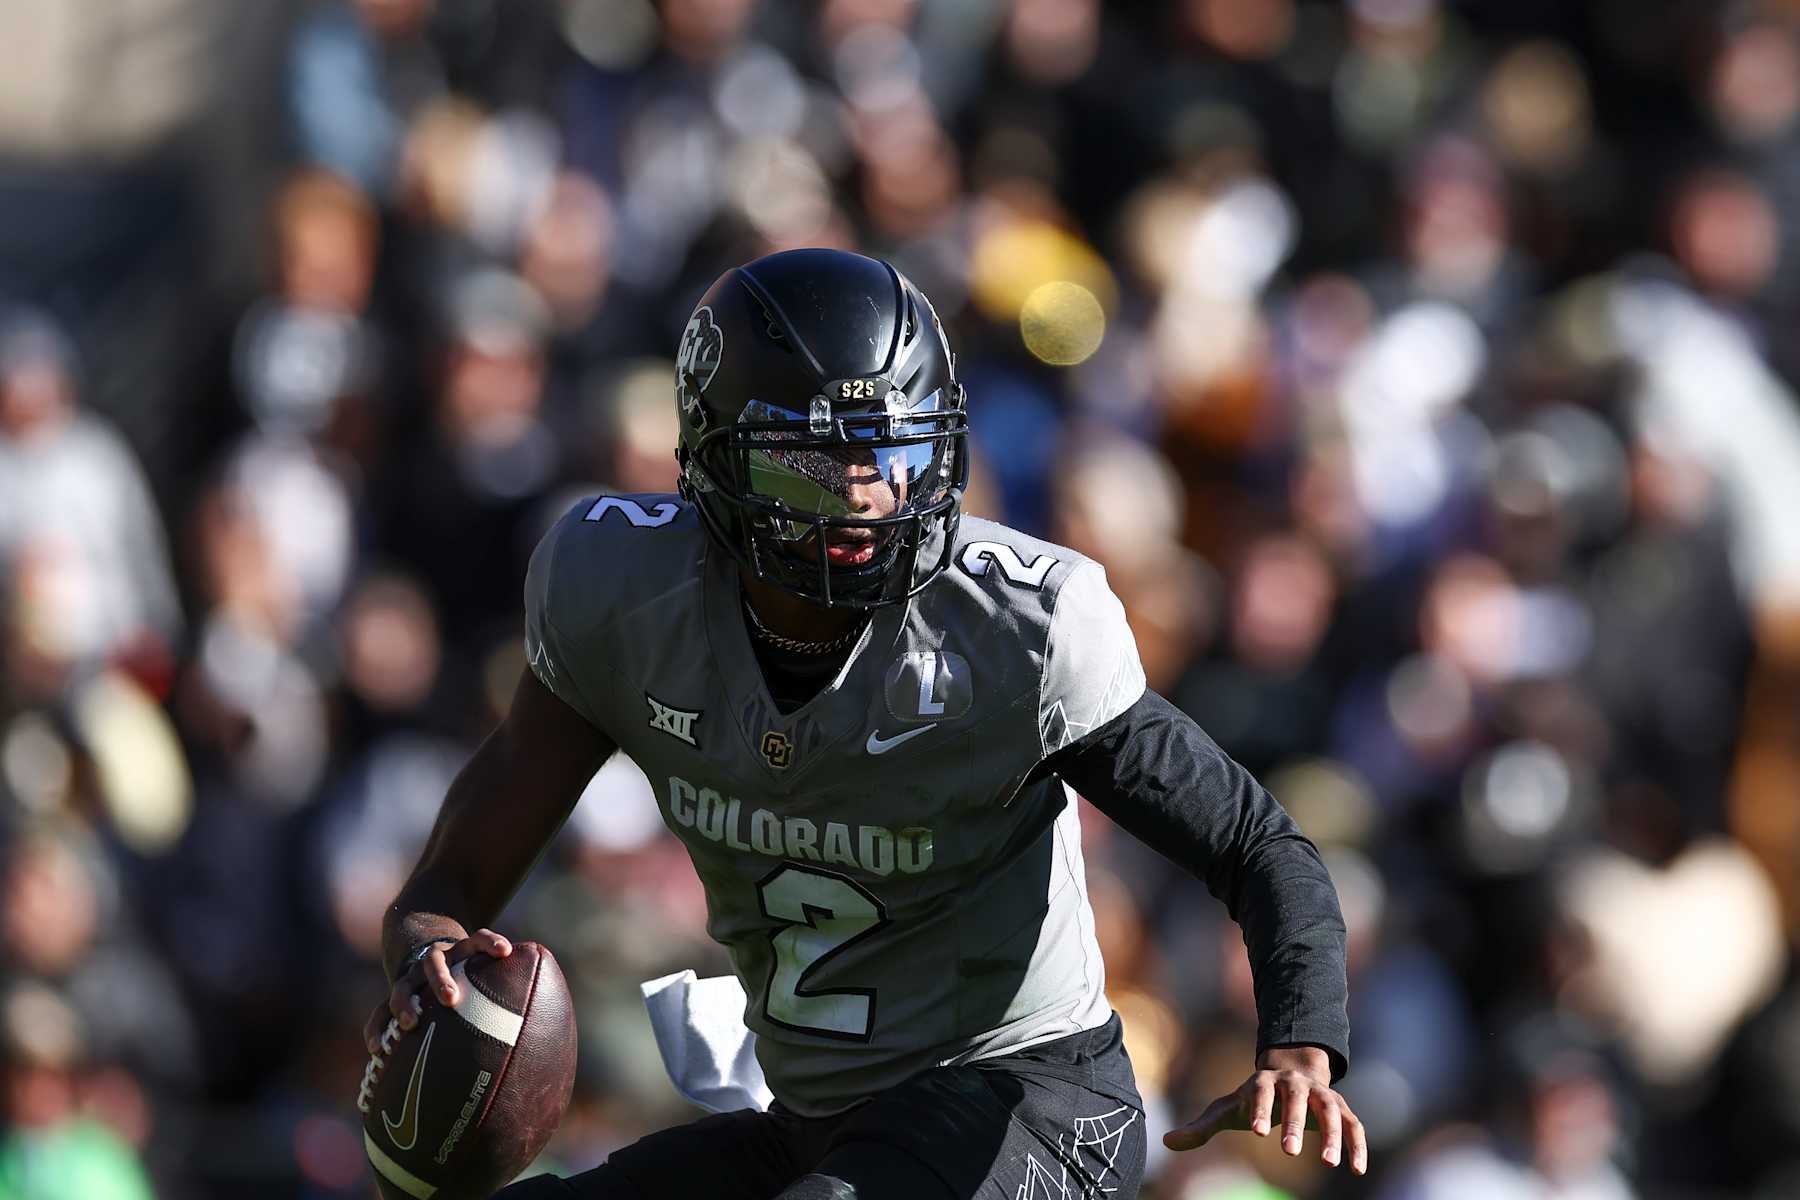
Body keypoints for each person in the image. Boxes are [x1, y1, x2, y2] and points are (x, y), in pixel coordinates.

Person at [364, 248, 1366, 1198]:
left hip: (1030, 1102)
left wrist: (1298, 1042)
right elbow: (459, 870)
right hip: (817, 1117)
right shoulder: (623, 597)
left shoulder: (1015, 631)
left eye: (894, 450)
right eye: (813, 462)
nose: (865, 495)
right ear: (718, 458)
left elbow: (1254, 840)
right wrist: (426, 950)